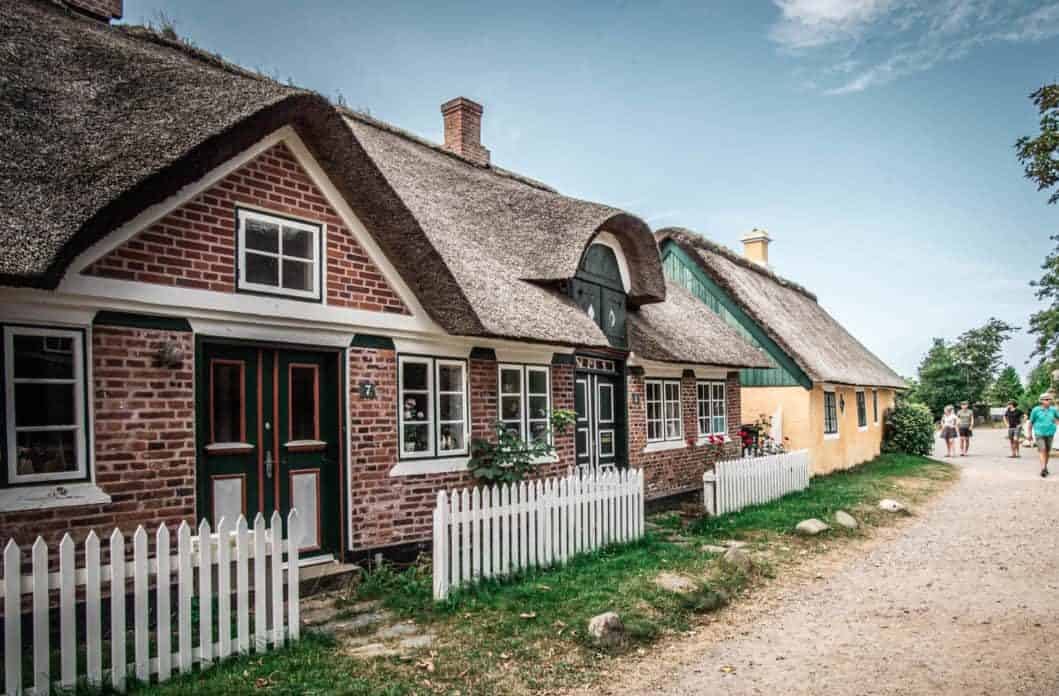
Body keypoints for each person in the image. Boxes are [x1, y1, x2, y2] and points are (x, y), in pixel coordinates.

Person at [1029, 392, 1059, 478]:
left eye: (1049, 399)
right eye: (1046, 399)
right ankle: (1043, 468)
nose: (1048, 401)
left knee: (1047, 451)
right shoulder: (1036, 410)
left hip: (1050, 433)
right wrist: (1030, 434)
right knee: (1042, 449)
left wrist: (1056, 422)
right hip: (1039, 433)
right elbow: (1031, 422)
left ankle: (1045, 467)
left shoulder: (1053, 410)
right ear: (1041, 401)